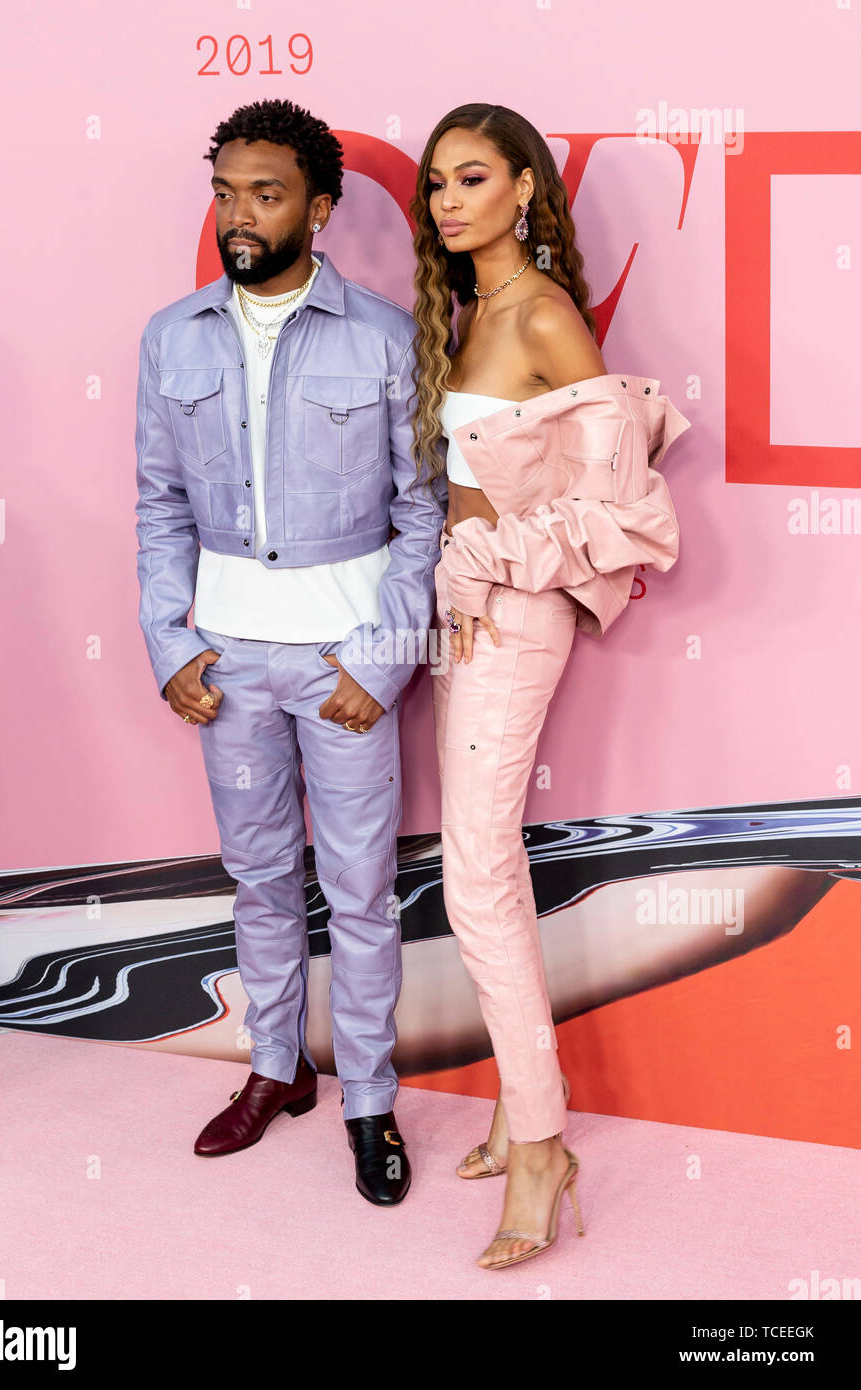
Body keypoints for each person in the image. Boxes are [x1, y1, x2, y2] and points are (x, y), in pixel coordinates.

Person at [134, 98, 446, 1206]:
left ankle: (368, 1097)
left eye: (265, 194)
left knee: (360, 890)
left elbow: (425, 512)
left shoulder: (388, 335)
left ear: (319, 206)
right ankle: (276, 1070)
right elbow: (160, 505)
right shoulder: (173, 336)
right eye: (225, 192)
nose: (239, 214)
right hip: (227, 665)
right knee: (262, 879)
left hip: (346, 661)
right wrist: (172, 641)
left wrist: (384, 659)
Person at [408, 103, 690, 1267]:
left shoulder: (543, 317)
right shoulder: (473, 315)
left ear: (525, 186)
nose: (448, 202)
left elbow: (623, 503)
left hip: (515, 617)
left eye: (472, 178)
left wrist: (492, 536)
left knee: (475, 870)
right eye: (435, 186)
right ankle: (512, 1104)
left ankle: (542, 1143)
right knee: (485, 863)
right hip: (465, 621)